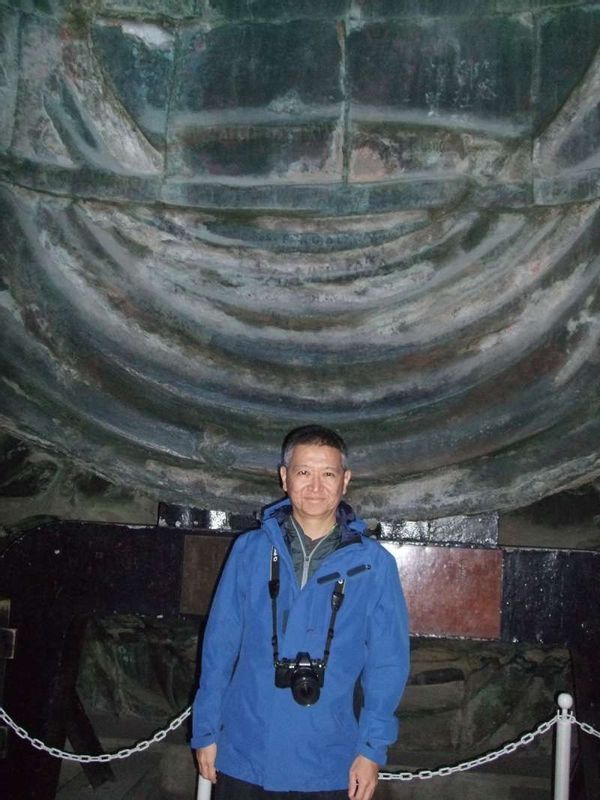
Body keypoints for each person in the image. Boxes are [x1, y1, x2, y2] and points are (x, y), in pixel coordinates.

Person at [191, 425, 410, 800]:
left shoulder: (375, 565)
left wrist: (372, 749)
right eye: (303, 472)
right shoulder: (250, 551)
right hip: (247, 749)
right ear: (284, 477)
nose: (315, 486)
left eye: (328, 474)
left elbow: (387, 665)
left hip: (330, 757)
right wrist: (207, 728)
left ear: (345, 481)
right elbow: (220, 645)